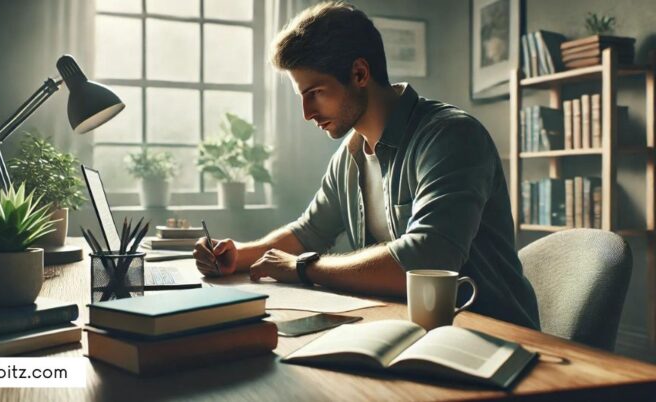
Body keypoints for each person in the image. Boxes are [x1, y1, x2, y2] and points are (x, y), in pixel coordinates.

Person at [193, 1, 539, 329]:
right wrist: (238, 255)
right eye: (302, 96)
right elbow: (308, 231)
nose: (307, 113)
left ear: (359, 73)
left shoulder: (451, 136)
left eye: (316, 92)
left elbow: (428, 259)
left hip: (495, 333)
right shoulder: (350, 154)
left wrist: (305, 268)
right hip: (412, 329)